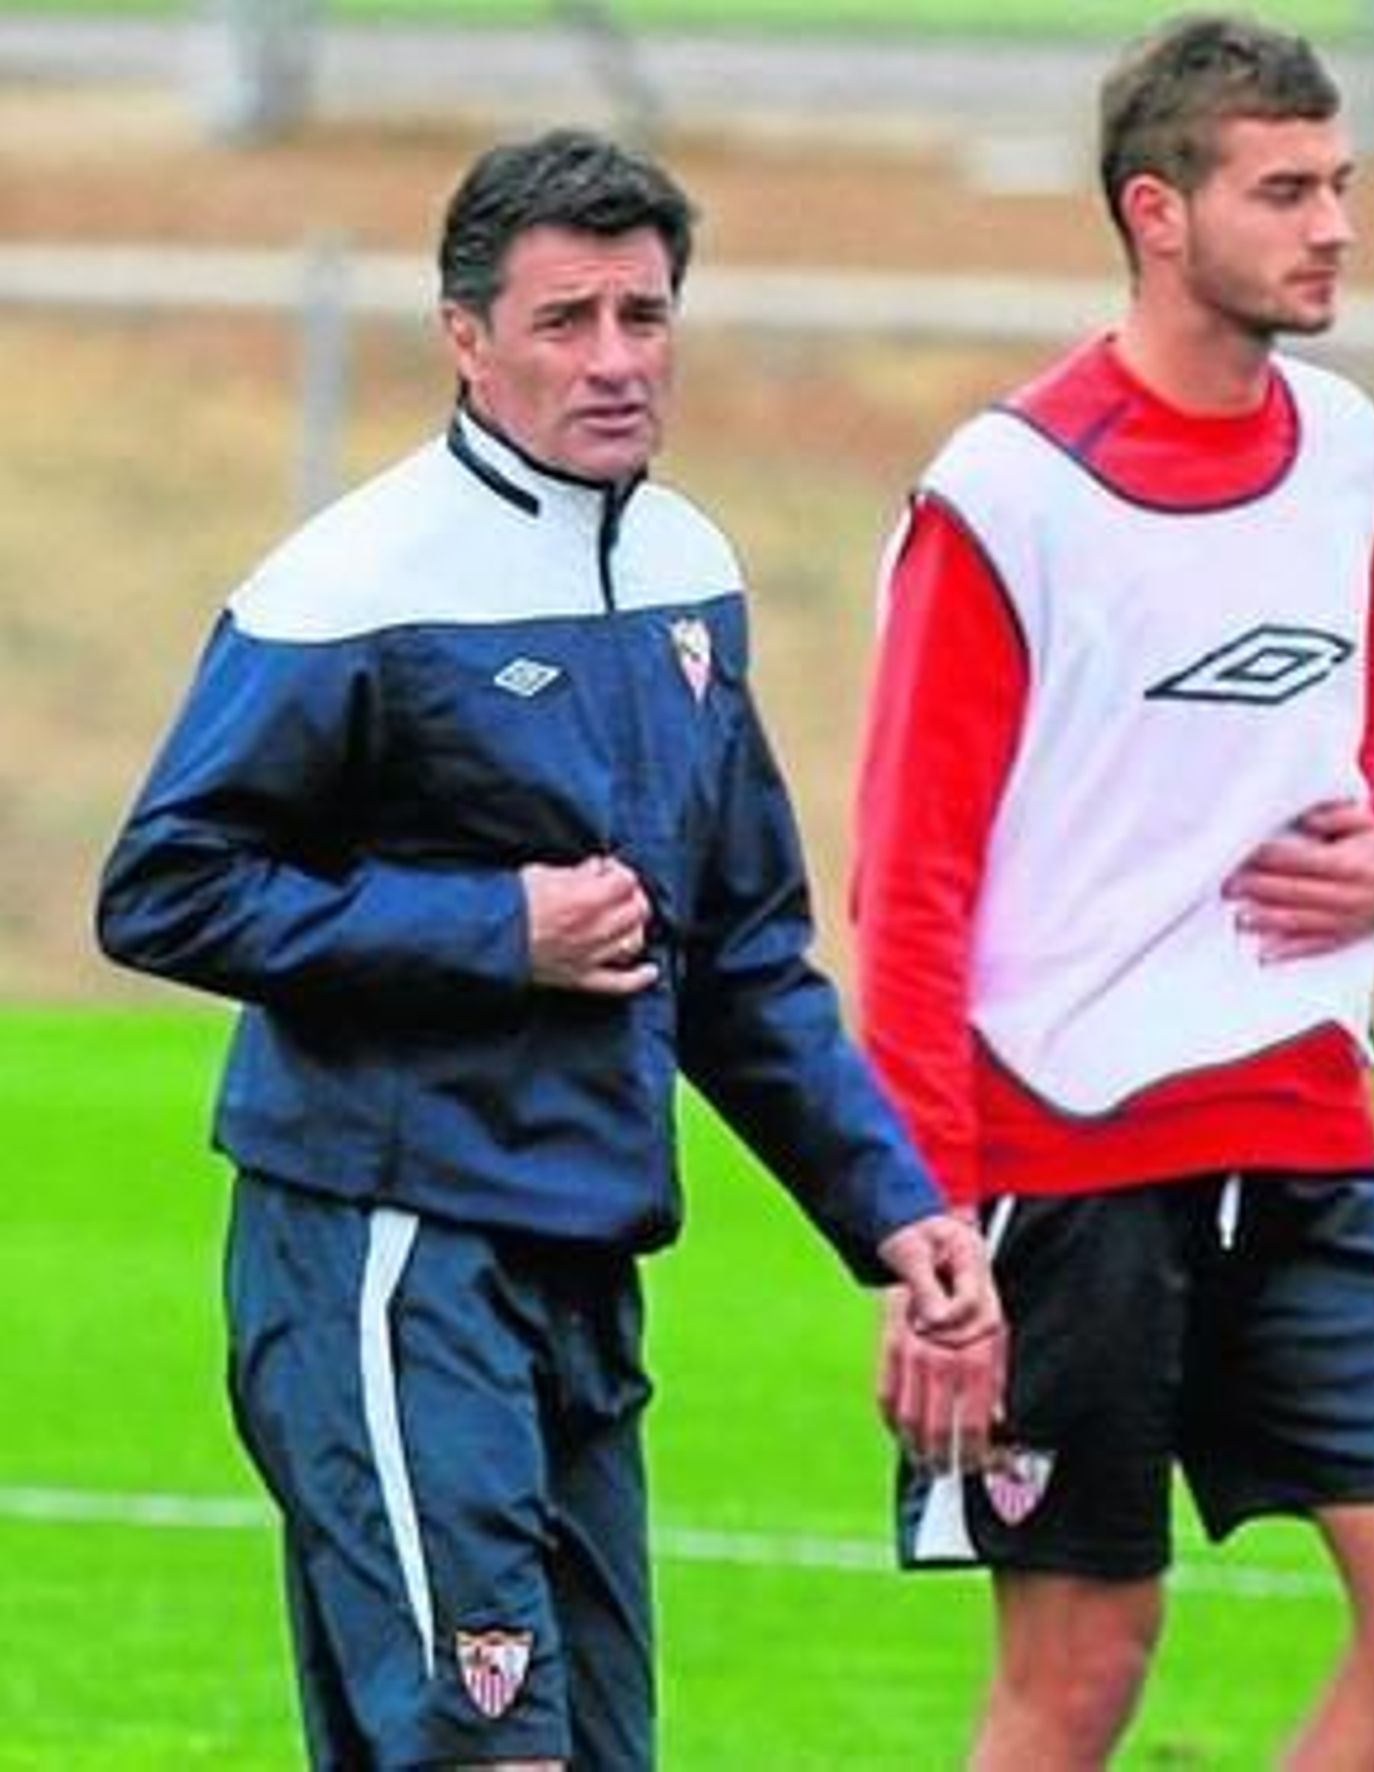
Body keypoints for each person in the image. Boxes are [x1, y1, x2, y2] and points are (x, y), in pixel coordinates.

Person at [97, 129, 1002, 1771]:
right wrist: (489, 932)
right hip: (390, 1250)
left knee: (584, 1753)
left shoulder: (688, 575)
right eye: (565, 319)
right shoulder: (351, 586)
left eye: (643, 317)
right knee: (484, 1748)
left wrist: (893, 1206)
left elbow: (738, 959)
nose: (612, 361)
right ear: (466, 336)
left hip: (584, 1262)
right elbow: (164, 886)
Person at [853, 15, 1374, 1768]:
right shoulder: (1006, 496)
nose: (1335, 228)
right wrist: (924, 1240)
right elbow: (907, 893)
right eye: (1286, 190)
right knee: (1081, 1677)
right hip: (1065, 1169)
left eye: (1343, 185)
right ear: (1161, 211)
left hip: (1308, 1135)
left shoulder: (1355, 447)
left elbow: (1364, 736)